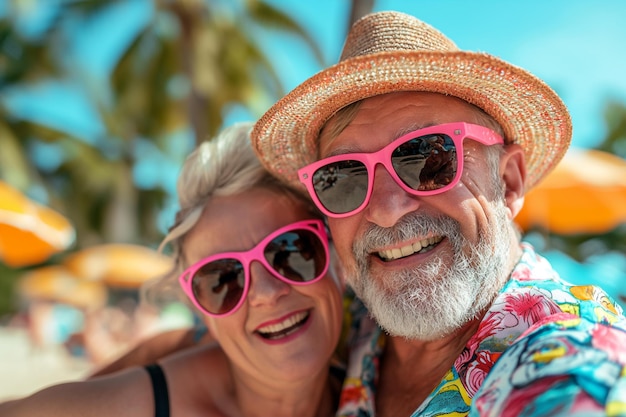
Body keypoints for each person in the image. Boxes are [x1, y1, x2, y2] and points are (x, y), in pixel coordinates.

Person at [250, 10, 626, 417]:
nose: (387, 211)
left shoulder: (575, 369)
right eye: (342, 179)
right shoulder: (351, 323)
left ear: (509, 181)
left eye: (427, 157)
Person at [0, 122, 346, 417]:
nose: (267, 294)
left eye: (290, 251)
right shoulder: (140, 406)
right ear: (202, 313)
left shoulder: (382, 373)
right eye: (223, 280)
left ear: (336, 251)